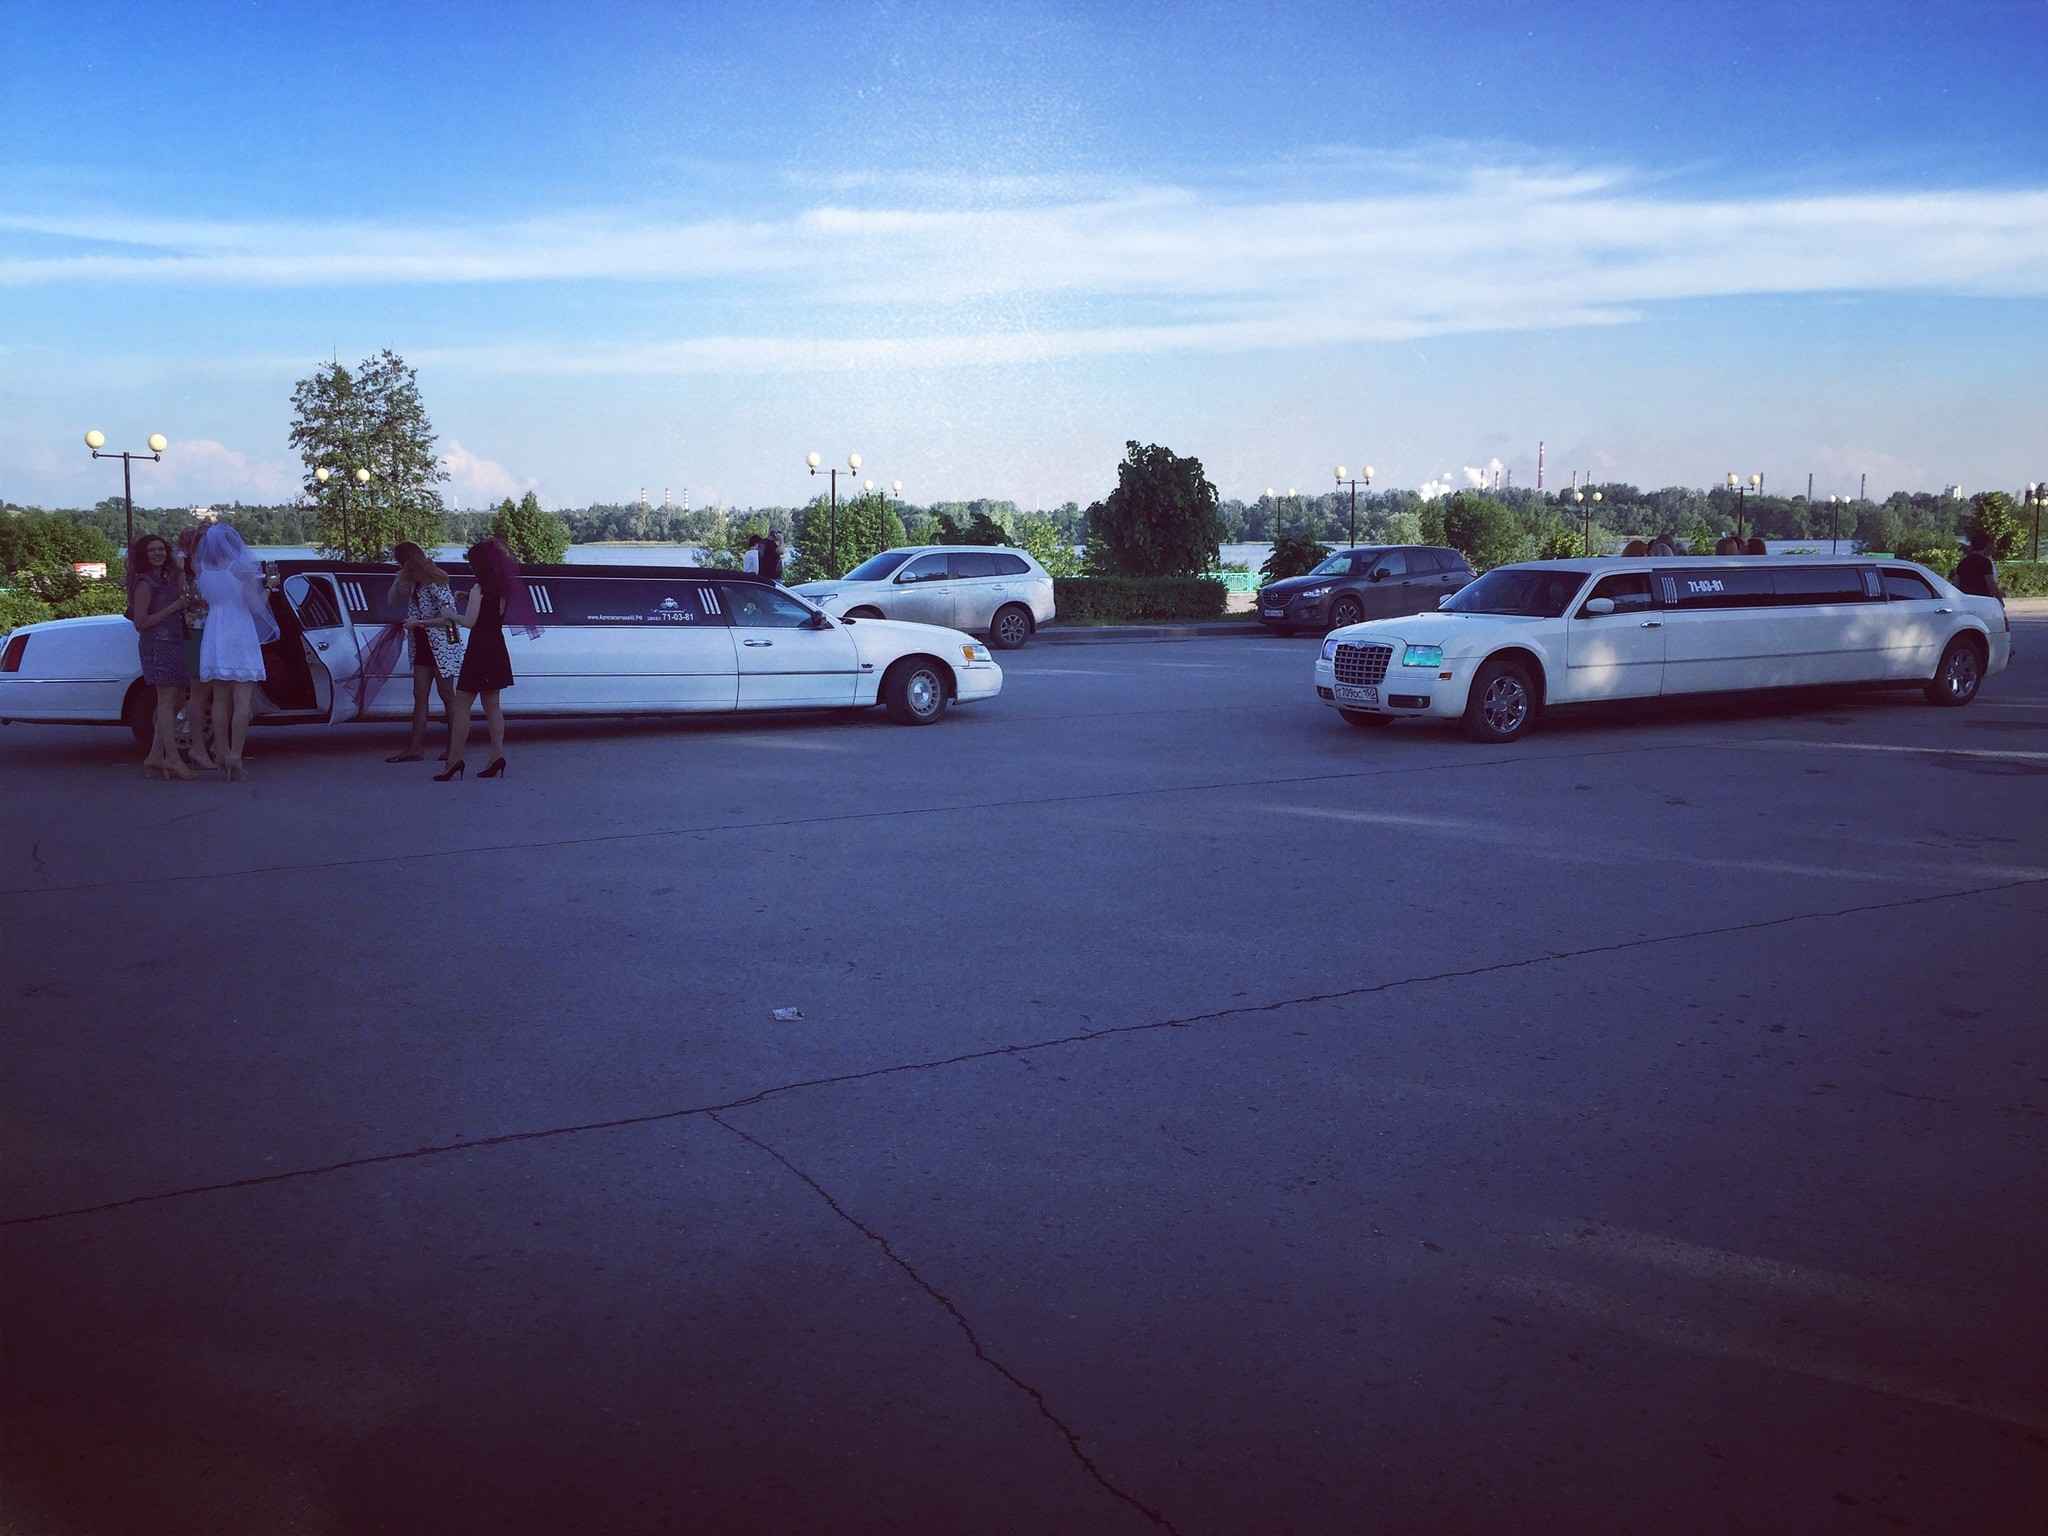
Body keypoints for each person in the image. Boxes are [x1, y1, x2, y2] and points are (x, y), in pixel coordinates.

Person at [438, 537, 538, 781]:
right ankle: (496, 757)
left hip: (479, 648)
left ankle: (453, 761)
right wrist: (467, 597)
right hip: (496, 646)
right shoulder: (503, 588)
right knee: (493, 706)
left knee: (461, 706)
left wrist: (449, 613)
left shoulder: (479, 587)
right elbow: (488, 611)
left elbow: (470, 622)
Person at [194, 524, 280, 780]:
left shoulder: (202, 569)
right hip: (239, 629)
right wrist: (270, 587)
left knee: (220, 698)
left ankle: (222, 751)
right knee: (242, 698)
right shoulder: (240, 569)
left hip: (215, 630)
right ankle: (235, 756)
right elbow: (255, 606)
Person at [386, 541, 464, 763]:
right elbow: (391, 600)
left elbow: (450, 619)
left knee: (447, 695)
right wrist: (398, 579)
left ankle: (454, 747)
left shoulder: (435, 580)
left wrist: (419, 623)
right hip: (422, 644)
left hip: (442, 644)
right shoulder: (412, 581)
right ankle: (415, 748)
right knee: (419, 695)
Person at [126, 533, 196, 779]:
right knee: (166, 700)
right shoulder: (145, 583)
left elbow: (182, 593)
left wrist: (180, 569)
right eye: (152, 550)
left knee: (177, 699)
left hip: (174, 643)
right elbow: (140, 622)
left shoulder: (164, 578)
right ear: (144, 556)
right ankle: (172, 758)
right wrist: (173, 607)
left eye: (161, 549)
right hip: (157, 645)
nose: (158, 554)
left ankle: (155, 755)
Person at [171, 527, 219, 771]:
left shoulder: (206, 566)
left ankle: (214, 745)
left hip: (211, 630)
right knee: (200, 691)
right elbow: (186, 598)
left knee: (215, 691)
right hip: (196, 632)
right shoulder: (184, 569)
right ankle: (199, 747)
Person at [1953, 531, 2005, 603]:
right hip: (1982, 599)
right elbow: (1991, 583)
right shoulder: (1985, 562)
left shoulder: (1963, 562)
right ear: (1986, 546)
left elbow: (1956, 583)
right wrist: (1999, 599)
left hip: (1966, 600)